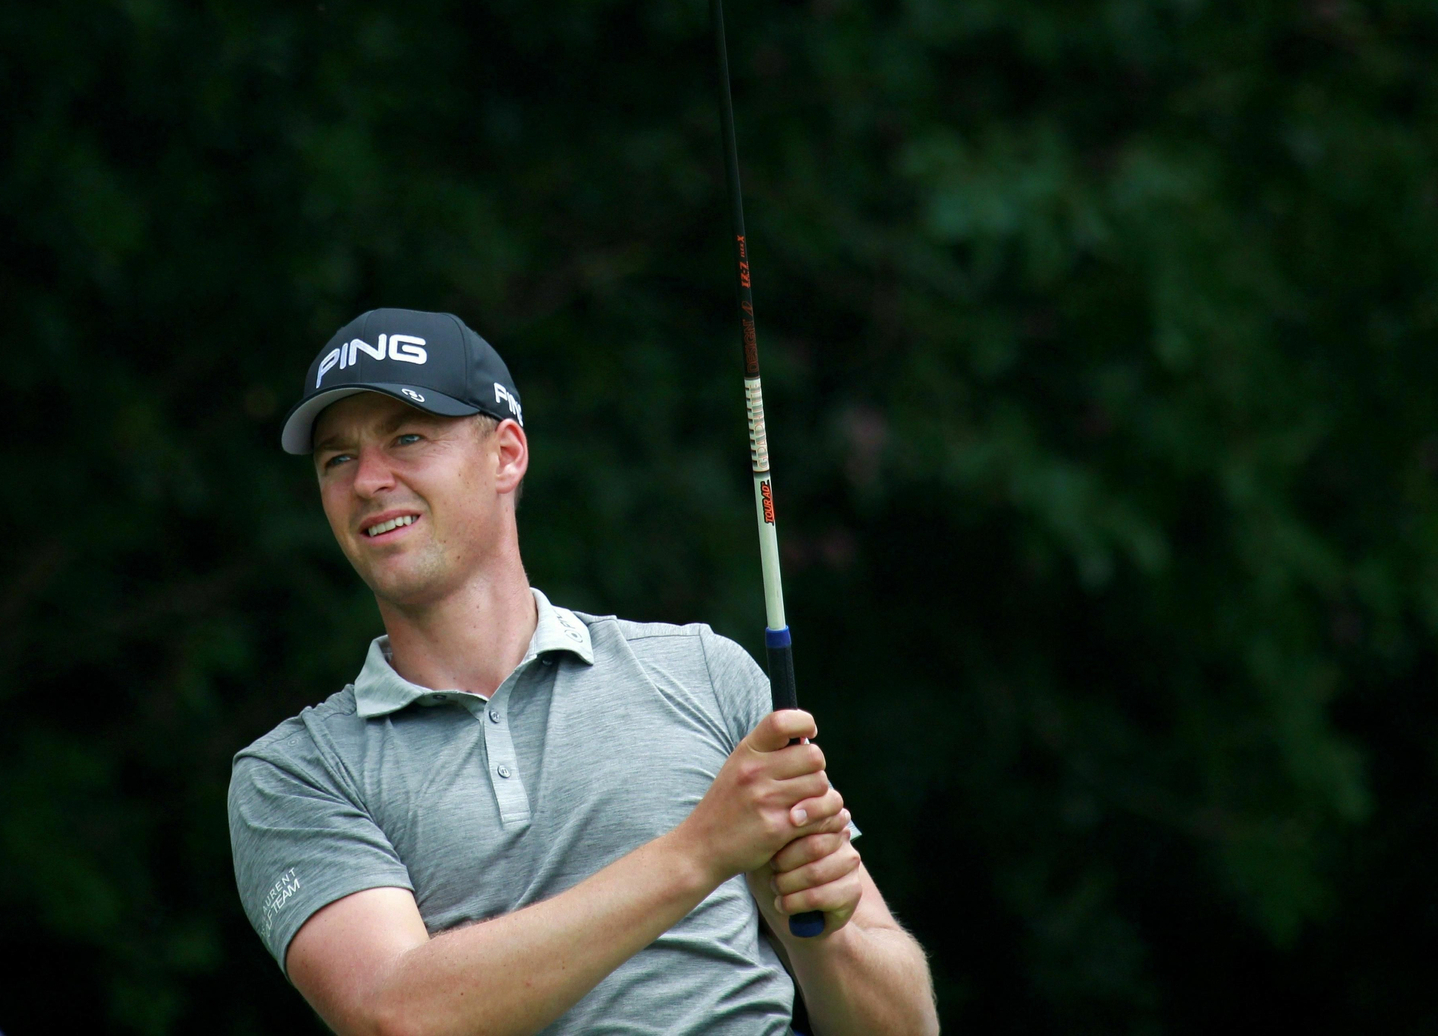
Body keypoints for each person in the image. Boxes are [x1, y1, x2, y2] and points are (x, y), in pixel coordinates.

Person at [227, 308, 938, 1036]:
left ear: (506, 454)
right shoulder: (297, 773)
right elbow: (398, 1017)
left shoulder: (702, 673)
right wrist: (700, 852)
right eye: (337, 459)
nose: (369, 480)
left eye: (407, 437)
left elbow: (906, 1027)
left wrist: (828, 935)